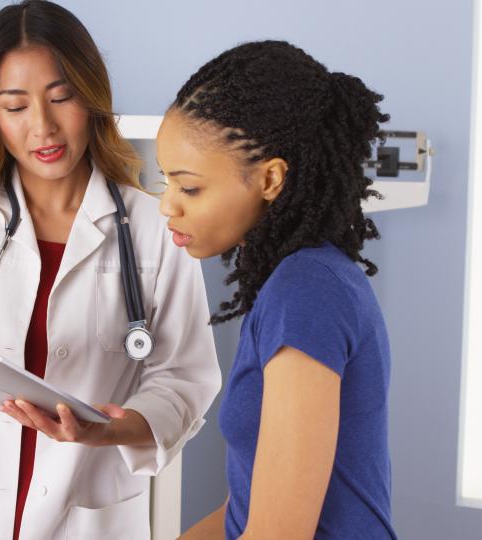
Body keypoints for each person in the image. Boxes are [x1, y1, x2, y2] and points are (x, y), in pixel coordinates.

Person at [0, 2, 220, 539]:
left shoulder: (154, 228)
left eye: (61, 97)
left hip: (87, 516)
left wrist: (105, 431)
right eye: (16, 106)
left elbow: (184, 379)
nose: (43, 127)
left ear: (91, 97)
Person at [159, 41, 396, 539]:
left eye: (189, 187)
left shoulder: (306, 290)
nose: (168, 205)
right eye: (166, 182)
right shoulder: (293, 282)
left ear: (270, 179)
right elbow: (241, 513)